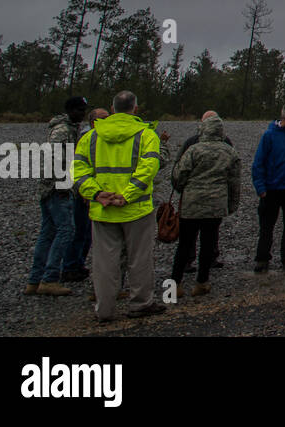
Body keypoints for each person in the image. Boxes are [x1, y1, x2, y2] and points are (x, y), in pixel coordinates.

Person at [71, 90, 166, 323]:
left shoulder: (90, 137)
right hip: (136, 208)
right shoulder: (146, 135)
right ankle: (141, 303)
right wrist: (127, 195)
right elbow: (149, 168)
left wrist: (96, 193)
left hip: (103, 208)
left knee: (104, 262)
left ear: (112, 110)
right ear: (136, 109)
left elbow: (78, 171)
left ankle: (104, 309)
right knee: (140, 258)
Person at [170, 113, 240, 297]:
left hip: (191, 204)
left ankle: (175, 285)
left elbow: (179, 174)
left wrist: (181, 190)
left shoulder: (194, 150)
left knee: (184, 244)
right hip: (215, 205)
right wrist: (231, 205)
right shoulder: (229, 152)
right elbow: (234, 182)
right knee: (208, 243)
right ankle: (202, 281)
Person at [25, 96, 87, 295]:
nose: (82, 114)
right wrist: (62, 184)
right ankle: (50, 278)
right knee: (66, 231)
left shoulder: (67, 128)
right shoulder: (62, 131)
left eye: (84, 110)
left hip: (51, 187)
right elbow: (53, 158)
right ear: (70, 110)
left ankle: (35, 280)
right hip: (57, 189)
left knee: (48, 233)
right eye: (79, 110)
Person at [175, 110, 233, 269]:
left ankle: (199, 262)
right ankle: (197, 266)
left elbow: (178, 171)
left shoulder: (194, 144)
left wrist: (181, 188)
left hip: (194, 197)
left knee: (198, 233)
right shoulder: (193, 143)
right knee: (199, 234)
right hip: (211, 198)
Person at [252, 103, 285, 272]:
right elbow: (258, 163)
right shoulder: (269, 136)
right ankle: (262, 258)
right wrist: (260, 188)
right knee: (267, 226)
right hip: (271, 189)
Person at [62, 105, 107, 282]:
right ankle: (70, 266)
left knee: (87, 232)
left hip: (95, 191)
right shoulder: (86, 137)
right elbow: (78, 166)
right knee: (79, 231)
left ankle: (78, 264)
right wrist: (84, 191)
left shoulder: (100, 136)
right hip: (83, 191)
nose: (106, 121)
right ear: (93, 121)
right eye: (102, 118)